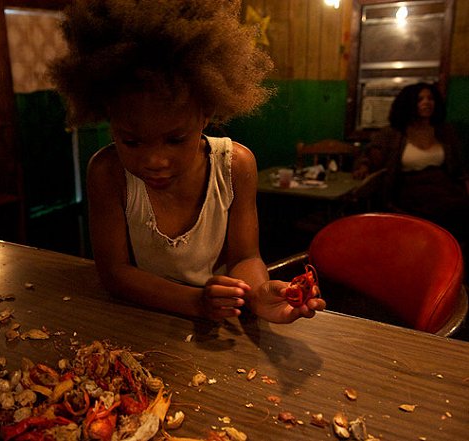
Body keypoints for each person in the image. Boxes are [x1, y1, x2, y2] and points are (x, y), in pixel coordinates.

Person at [49, 0, 326, 323]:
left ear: (206, 113)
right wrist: (195, 301)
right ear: (108, 117)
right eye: (131, 141)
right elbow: (114, 273)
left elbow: (245, 256)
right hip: (140, 323)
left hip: (219, 326)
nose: (154, 160)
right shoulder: (108, 173)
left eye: (175, 139)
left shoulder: (235, 165)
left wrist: (256, 295)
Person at [353, 82, 469, 245]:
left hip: (443, 185)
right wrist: (364, 166)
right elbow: (370, 153)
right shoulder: (393, 133)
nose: (427, 102)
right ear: (408, 104)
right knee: (438, 213)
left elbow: (459, 168)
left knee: (460, 208)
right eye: (420, 99)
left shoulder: (445, 131)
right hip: (409, 188)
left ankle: (453, 259)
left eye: (430, 98)